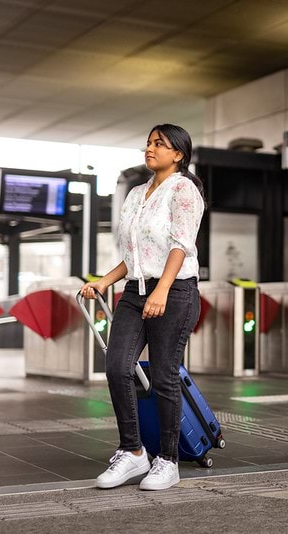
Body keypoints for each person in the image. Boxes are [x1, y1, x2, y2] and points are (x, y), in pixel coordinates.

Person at [80, 124, 205, 491]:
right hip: (133, 292)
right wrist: (105, 280)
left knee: (164, 374)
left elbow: (179, 246)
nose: (149, 149)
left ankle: (168, 460)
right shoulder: (136, 193)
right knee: (118, 366)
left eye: (159, 144)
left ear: (178, 154)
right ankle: (133, 453)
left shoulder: (184, 189)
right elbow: (134, 254)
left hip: (175, 289)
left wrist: (161, 289)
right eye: (148, 143)